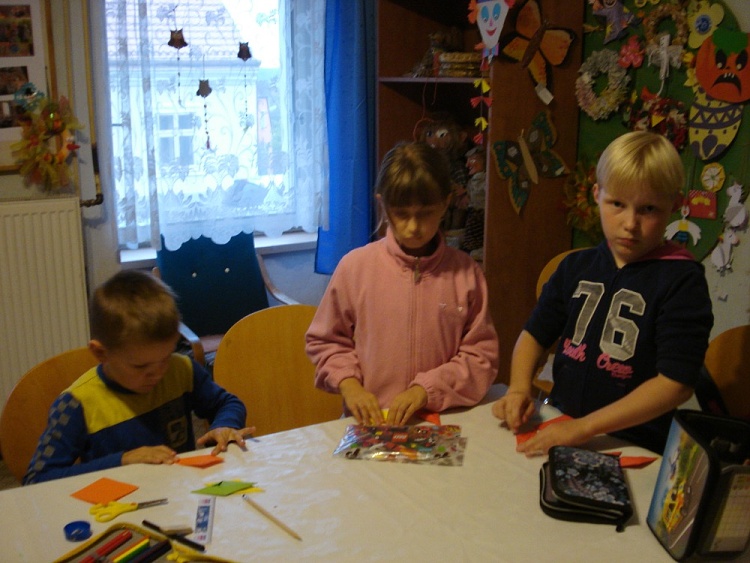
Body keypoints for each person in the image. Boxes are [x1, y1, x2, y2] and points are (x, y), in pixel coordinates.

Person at [492, 131, 713, 454]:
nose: (630, 223)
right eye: (617, 204)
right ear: (597, 195)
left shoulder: (682, 281)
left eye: (648, 209)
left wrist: (584, 428)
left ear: (675, 205)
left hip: (635, 445)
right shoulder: (575, 266)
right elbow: (533, 336)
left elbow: (675, 384)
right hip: (562, 425)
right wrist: (518, 388)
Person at [306, 142, 499, 426]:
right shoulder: (355, 268)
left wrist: (426, 390)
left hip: (444, 421)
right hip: (373, 423)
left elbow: (481, 357)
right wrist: (349, 384)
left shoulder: (466, 273)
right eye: (401, 214)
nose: (413, 227)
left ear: (445, 203)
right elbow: (325, 341)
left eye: (425, 213)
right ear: (383, 205)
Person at [24, 270, 255, 484]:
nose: (157, 373)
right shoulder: (77, 403)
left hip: (179, 492)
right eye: (140, 366)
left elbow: (227, 403)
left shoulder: (181, 369)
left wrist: (224, 425)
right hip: (114, 505)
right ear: (101, 353)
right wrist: (121, 460)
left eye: (165, 357)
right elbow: (38, 478)